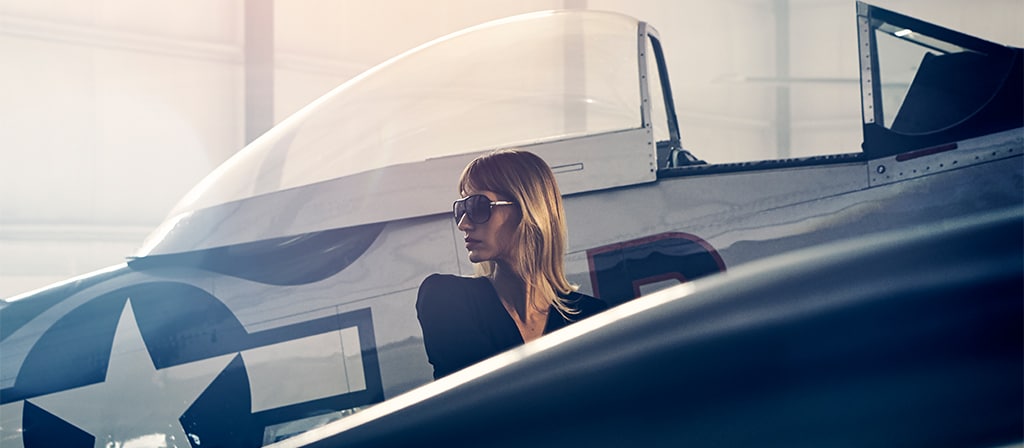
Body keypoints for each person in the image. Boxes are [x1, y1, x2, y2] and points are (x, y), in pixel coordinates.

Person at [416, 149, 607, 379]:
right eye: (461, 209)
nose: (463, 224)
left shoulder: (593, 318)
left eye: (477, 206)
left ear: (527, 207)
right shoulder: (446, 299)